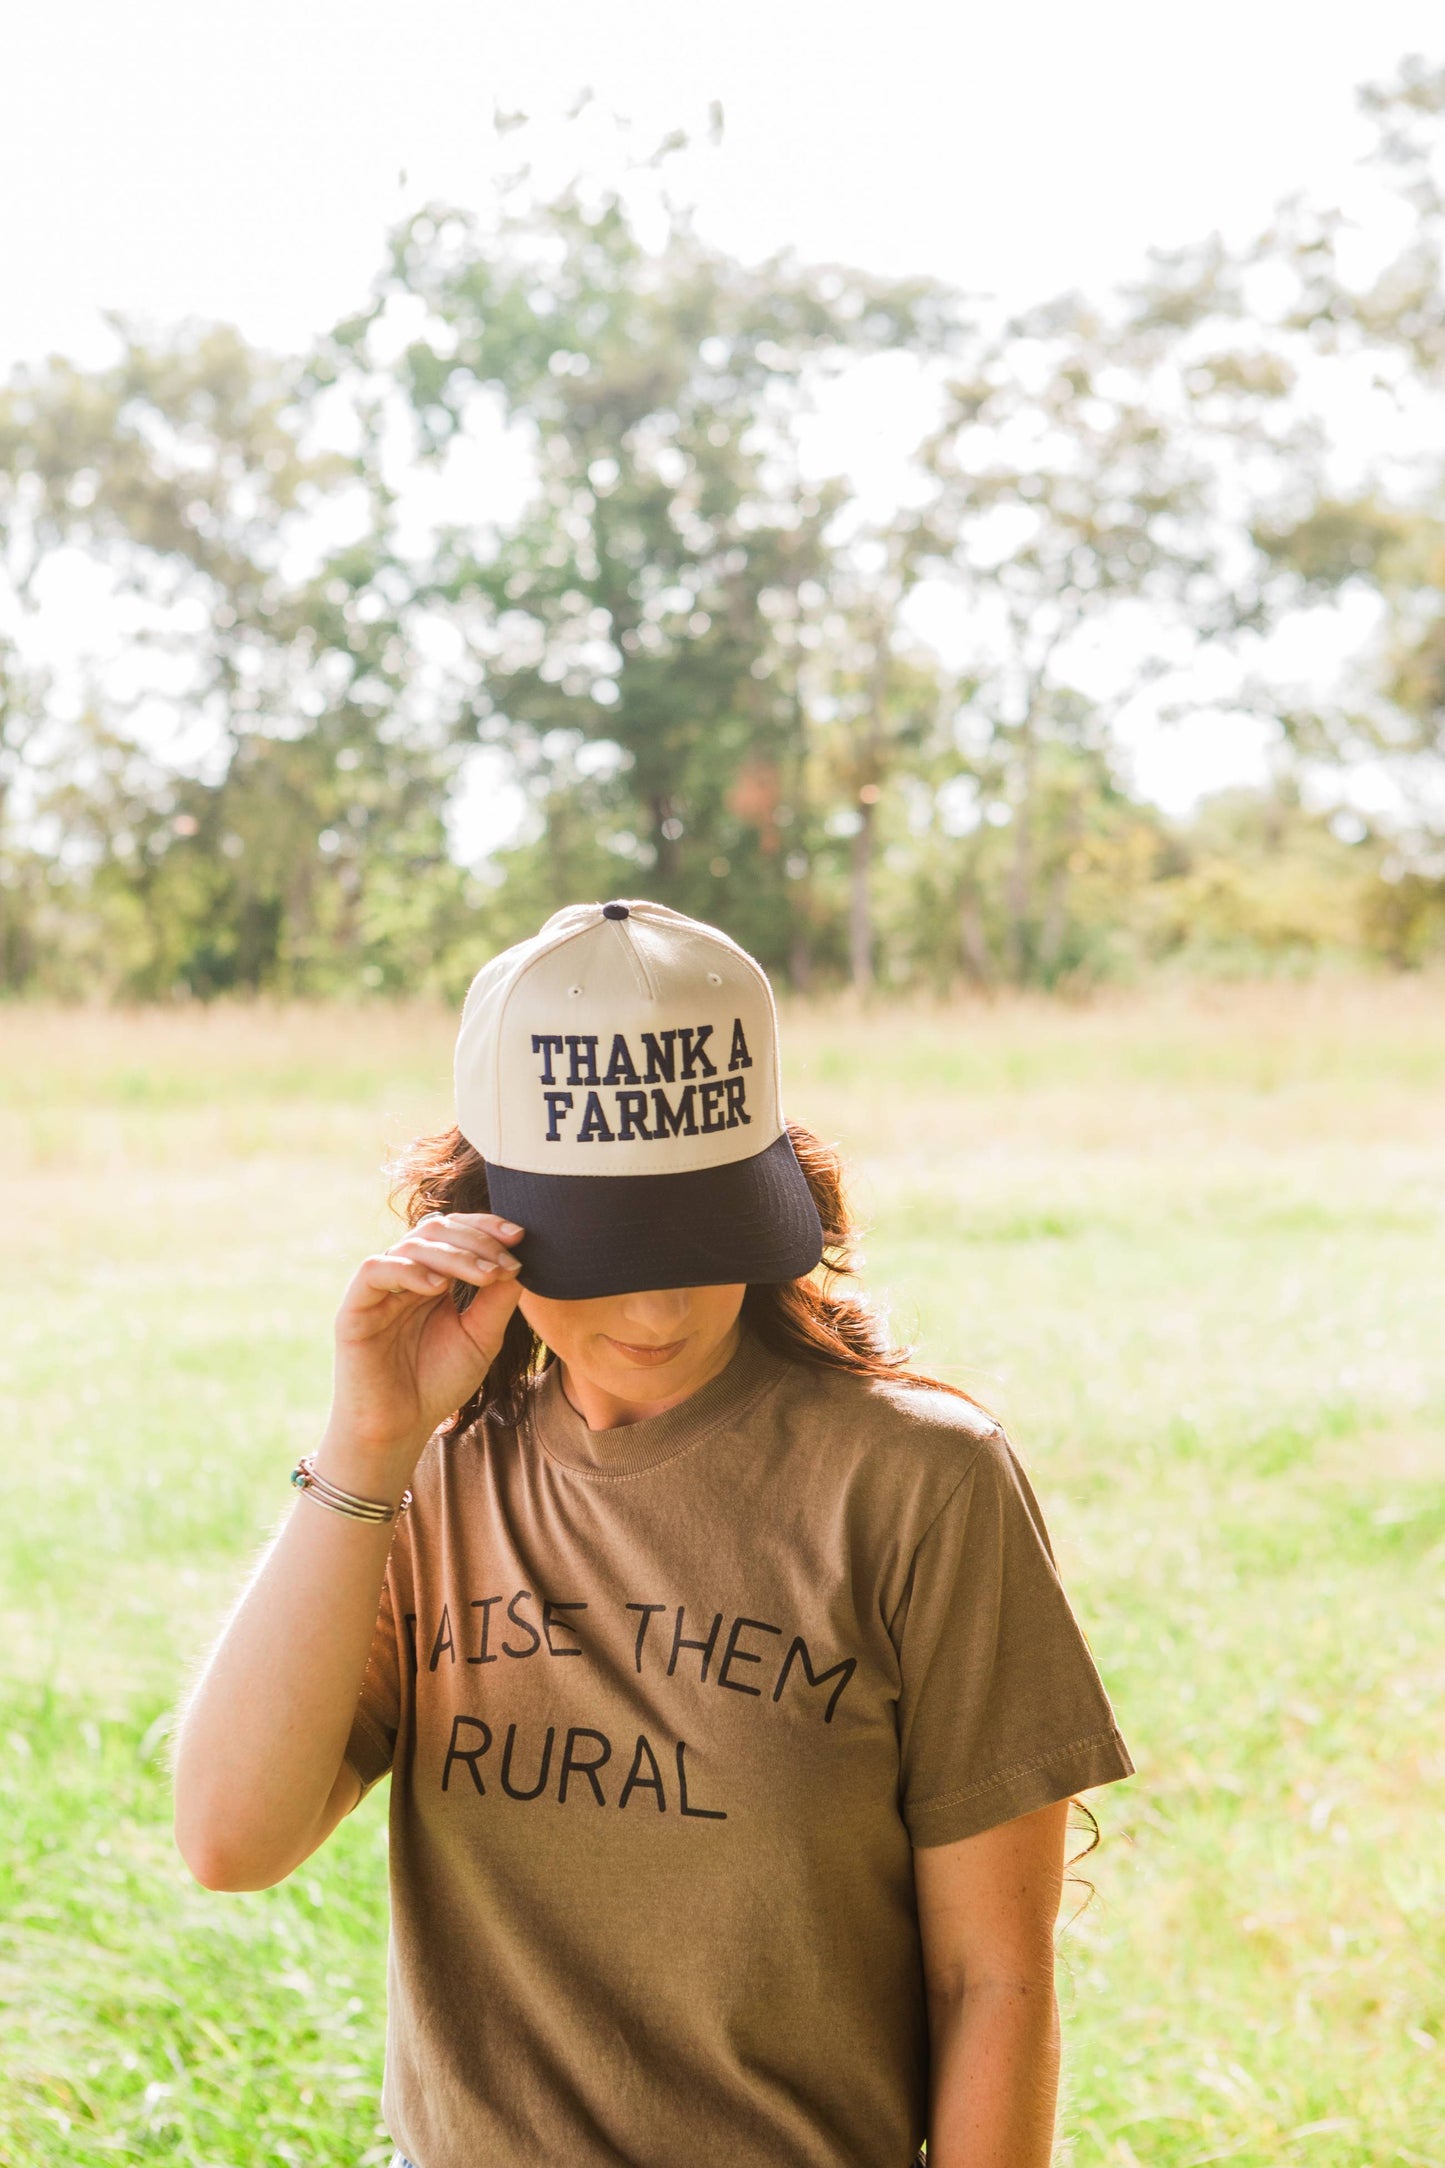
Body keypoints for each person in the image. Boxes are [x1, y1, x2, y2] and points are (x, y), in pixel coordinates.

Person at [173, 898, 1134, 2168]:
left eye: (703, 1230)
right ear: (483, 1216)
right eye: (611, 1242)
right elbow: (231, 1841)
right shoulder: (430, 1478)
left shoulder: (917, 1482)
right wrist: (366, 1448)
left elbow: (992, 1983)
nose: (664, 1299)